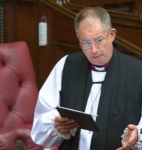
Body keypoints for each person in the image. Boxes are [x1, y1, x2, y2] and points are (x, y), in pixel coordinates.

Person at [31, 7, 142, 150]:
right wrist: (57, 124)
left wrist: (138, 135)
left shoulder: (138, 71)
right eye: (87, 43)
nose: (94, 50)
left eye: (99, 40)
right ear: (79, 41)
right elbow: (41, 120)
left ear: (112, 34)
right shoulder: (66, 65)